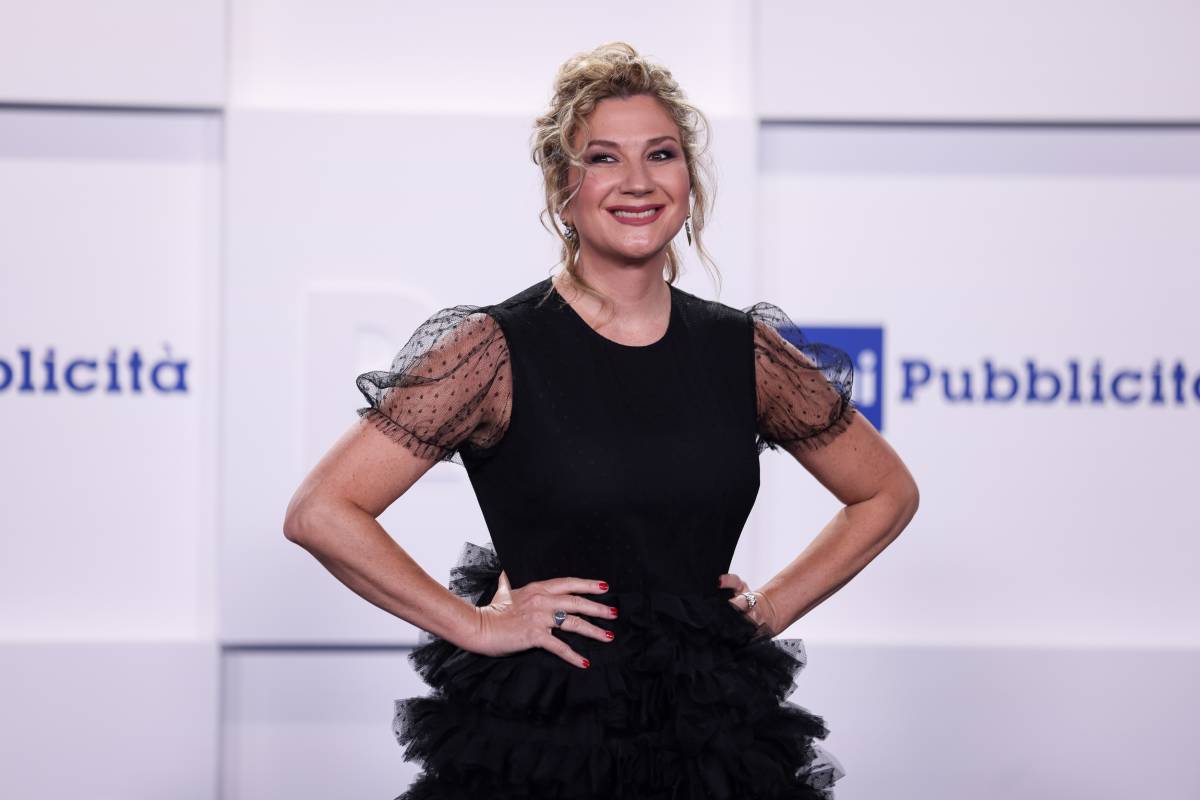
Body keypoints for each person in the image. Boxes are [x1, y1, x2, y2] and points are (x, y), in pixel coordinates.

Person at [283, 41, 919, 800]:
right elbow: (322, 511)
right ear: (563, 188)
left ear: (689, 182)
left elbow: (886, 492)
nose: (638, 181)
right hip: (546, 735)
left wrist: (774, 604)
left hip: (712, 735)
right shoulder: (495, 349)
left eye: (661, 154)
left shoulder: (744, 350)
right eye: (604, 158)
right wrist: (475, 624)